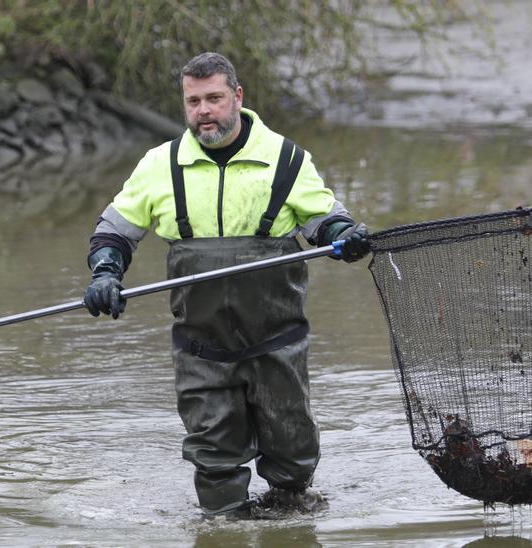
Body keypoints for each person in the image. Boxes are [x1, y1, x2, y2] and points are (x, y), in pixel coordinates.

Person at [82, 52, 370, 519]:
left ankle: (291, 510)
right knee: (212, 455)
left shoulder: (287, 159)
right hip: (201, 347)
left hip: (278, 341)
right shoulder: (161, 165)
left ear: (237, 97)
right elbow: (114, 231)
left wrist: (345, 237)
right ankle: (225, 523)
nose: (204, 111)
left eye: (214, 98)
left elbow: (327, 222)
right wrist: (105, 273)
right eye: (193, 101)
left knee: (293, 449)